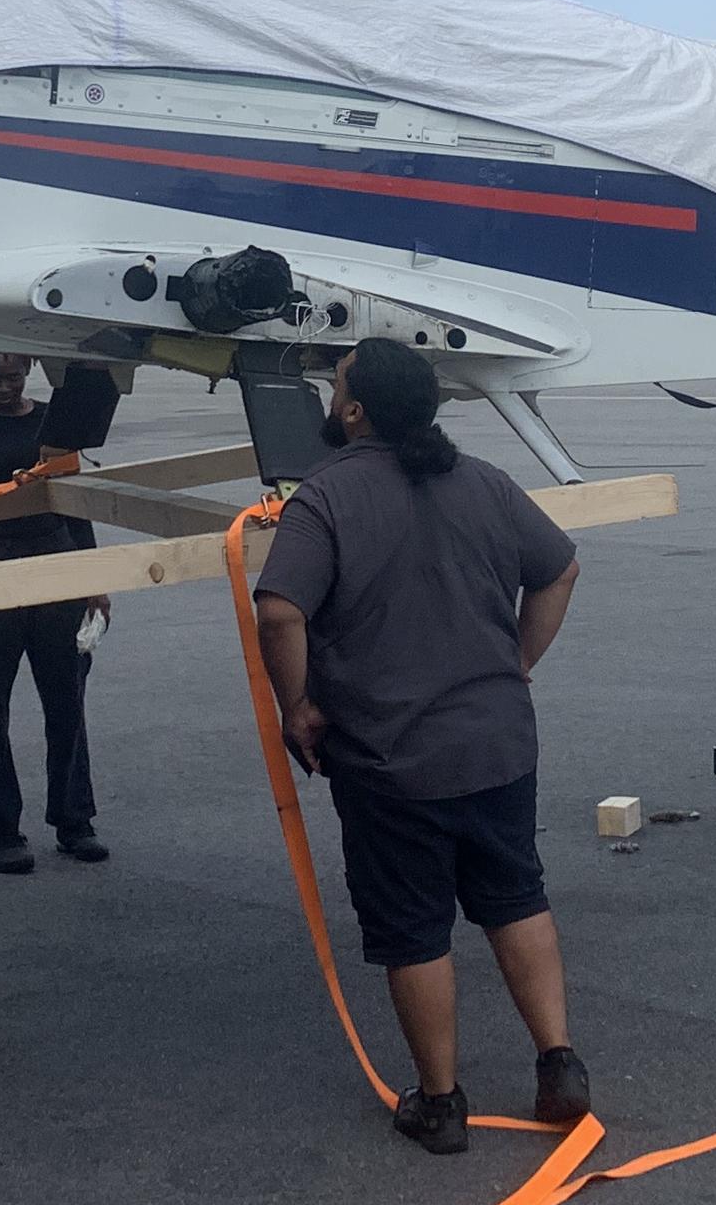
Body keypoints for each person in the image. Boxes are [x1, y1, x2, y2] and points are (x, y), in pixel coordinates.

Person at [249, 339, 586, 1154]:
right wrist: (517, 661)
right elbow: (561, 569)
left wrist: (296, 707)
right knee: (515, 896)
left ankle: (441, 1103)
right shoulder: (486, 483)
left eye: (336, 388)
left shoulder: (324, 499)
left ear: (357, 410)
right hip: (498, 744)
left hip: (391, 760)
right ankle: (560, 1063)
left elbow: (279, 612)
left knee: (415, 932)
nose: (331, 400)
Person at [0, 352, 109, 874]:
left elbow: (74, 500)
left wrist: (93, 577)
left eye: (14, 377)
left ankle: (73, 819)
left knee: (67, 700)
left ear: (29, 372)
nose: (5, 387)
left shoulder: (52, 421)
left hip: (55, 555)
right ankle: (0, 830)